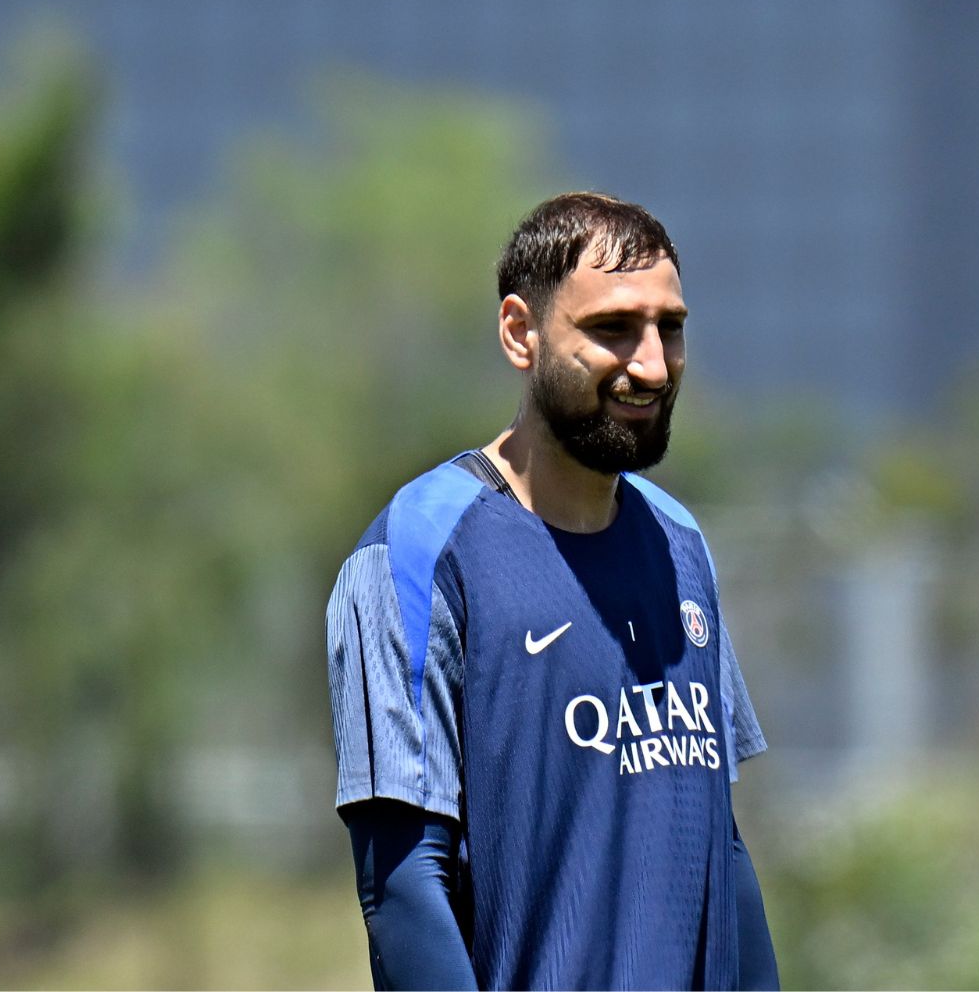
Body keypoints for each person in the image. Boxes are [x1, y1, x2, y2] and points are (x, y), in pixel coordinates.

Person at [325, 192, 779, 990]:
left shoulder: (681, 545)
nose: (650, 364)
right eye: (611, 329)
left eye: (668, 327)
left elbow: (722, 844)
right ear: (519, 333)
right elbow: (401, 887)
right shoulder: (417, 552)